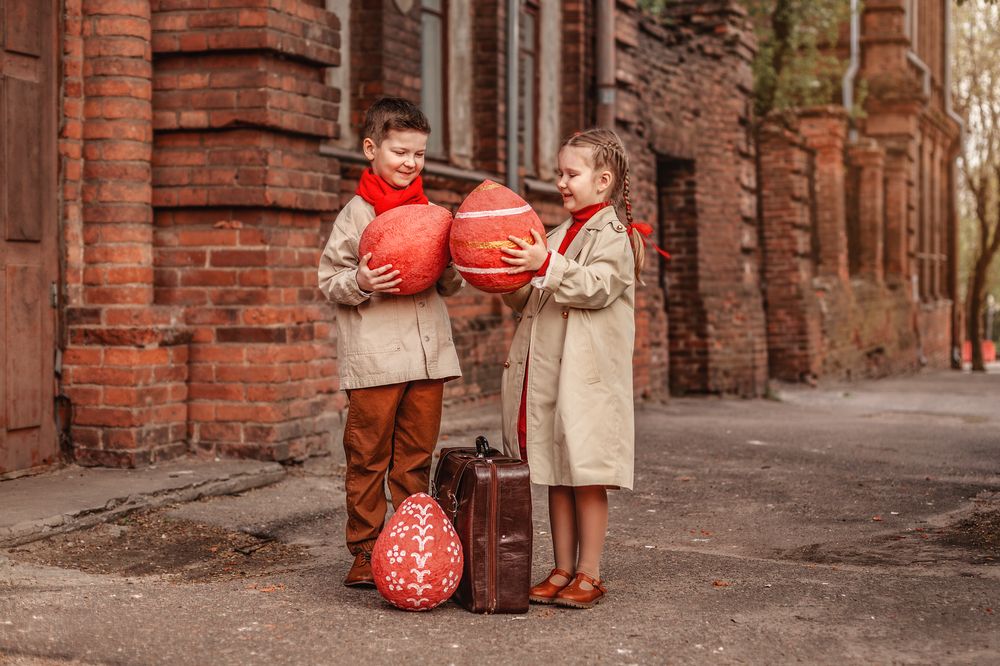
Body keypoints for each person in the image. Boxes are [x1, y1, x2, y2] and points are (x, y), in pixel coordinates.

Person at [318, 97, 463, 588]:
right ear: (370, 148)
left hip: (427, 358)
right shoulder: (355, 215)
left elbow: (449, 284)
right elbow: (329, 280)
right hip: (376, 362)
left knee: (416, 458)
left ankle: (411, 547)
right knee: (367, 456)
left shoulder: (433, 216)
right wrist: (359, 279)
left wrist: (449, 268)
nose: (410, 163)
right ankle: (364, 549)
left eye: (419, 155)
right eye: (401, 152)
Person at [499, 127, 643, 609]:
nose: (561, 181)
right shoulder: (557, 234)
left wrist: (545, 264)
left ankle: (590, 572)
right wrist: (506, 274)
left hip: (587, 380)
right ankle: (561, 568)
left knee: (586, 475)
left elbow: (596, 286)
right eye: (559, 172)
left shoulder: (615, 238)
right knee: (555, 472)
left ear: (603, 181)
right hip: (551, 377)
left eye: (571, 173)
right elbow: (532, 298)